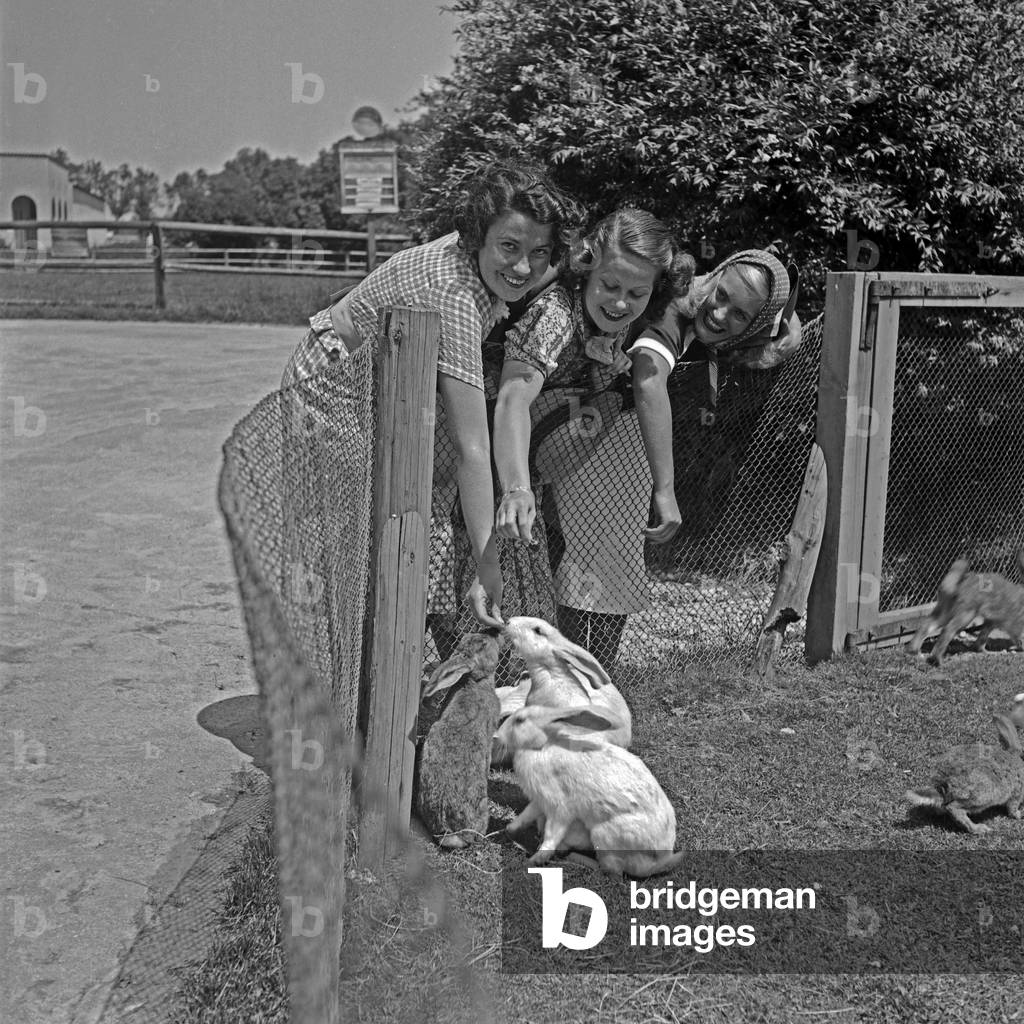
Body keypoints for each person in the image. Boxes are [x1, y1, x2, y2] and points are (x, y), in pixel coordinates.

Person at [280, 162, 584, 654]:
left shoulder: (483, 262)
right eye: (509, 247)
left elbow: (547, 259)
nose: (524, 268)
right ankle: (330, 693)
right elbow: (472, 449)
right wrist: (489, 567)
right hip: (329, 385)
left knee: (385, 530)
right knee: (348, 546)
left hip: (381, 389)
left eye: (538, 252)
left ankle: (372, 683)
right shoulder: (457, 300)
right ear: (476, 238)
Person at [490, 208, 693, 659]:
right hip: (485, 457)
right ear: (586, 268)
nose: (621, 303)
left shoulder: (612, 322)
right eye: (611, 286)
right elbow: (512, 399)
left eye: (637, 294)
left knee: (526, 600)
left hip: (529, 464)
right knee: (485, 595)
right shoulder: (556, 314)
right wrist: (517, 487)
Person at [630, 248, 802, 540]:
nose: (719, 314)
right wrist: (665, 489)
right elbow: (648, 381)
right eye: (721, 295)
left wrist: (793, 328)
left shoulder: (714, 296)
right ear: (717, 275)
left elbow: (771, 308)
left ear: (757, 326)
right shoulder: (673, 312)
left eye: (739, 314)